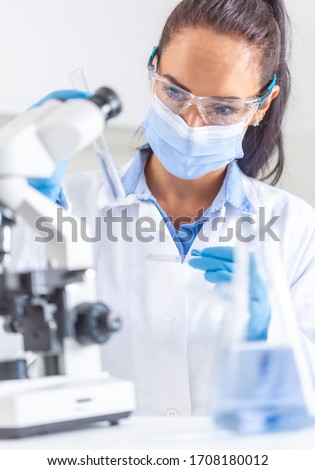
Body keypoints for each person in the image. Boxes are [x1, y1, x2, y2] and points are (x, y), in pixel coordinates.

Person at [15, 0, 315, 415]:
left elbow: (304, 405)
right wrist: (21, 215)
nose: (191, 123)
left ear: (261, 105)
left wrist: (269, 330)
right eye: (175, 92)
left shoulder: (296, 229)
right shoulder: (63, 208)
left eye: (223, 108)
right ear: (154, 68)